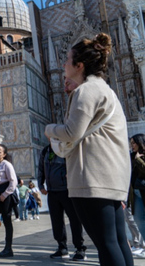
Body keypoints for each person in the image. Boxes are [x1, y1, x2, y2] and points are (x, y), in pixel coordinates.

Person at [45, 33, 132, 266]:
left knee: (106, 244)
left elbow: (72, 131)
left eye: (67, 59)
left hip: (92, 178)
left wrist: (50, 129)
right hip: (111, 177)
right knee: (117, 242)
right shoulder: (106, 90)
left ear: (79, 65)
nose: (63, 64)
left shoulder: (86, 90)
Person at [37, 143, 87, 260]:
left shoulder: (65, 147)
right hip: (52, 191)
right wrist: (40, 185)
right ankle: (62, 248)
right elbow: (40, 169)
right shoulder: (45, 151)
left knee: (74, 219)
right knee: (56, 221)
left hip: (67, 190)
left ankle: (80, 248)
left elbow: (75, 164)